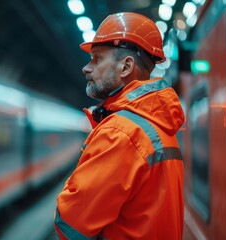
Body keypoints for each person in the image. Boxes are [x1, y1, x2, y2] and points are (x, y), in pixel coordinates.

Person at [54, 12, 185, 239]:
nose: (86, 68)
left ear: (125, 67)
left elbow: (70, 225)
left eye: (97, 58)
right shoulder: (159, 127)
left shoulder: (120, 133)